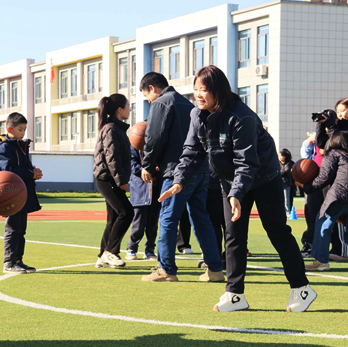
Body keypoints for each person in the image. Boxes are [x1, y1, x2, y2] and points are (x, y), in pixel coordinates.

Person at [162, 65, 315, 312]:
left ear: (218, 91)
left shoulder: (240, 116)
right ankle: (235, 295)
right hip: (229, 181)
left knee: (276, 230)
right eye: (195, 90)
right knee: (234, 235)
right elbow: (191, 152)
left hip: (264, 177)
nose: (198, 95)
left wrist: (236, 194)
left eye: (204, 90)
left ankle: (302, 289)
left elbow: (248, 161)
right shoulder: (195, 115)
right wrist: (179, 181)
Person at [138, 72, 224, 283]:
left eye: (146, 96)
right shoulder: (189, 105)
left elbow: (154, 137)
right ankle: (215, 269)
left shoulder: (160, 103)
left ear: (151, 88)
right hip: (201, 169)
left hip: (176, 172)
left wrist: (147, 165)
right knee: (201, 219)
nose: (148, 101)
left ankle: (166, 269)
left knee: (168, 219)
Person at [0, 112, 43, 274]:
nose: (23, 133)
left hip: (23, 193)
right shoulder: (4, 147)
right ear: (10, 129)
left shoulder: (21, 145)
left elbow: (23, 168)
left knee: (21, 229)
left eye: (25, 129)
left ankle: (18, 260)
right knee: (12, 229)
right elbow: (9, 170)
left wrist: (33, 171)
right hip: (10, 194)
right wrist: (30, 174)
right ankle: (8, 262)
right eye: (20, 129)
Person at [298, 131, 348, 271]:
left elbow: (324, 177)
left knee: (322, 222)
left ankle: (321, 261)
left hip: (341, 193)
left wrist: (306, 187)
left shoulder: (333, 153)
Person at [93, 94, 133, 268]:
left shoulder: (116, 128)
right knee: (126, 212)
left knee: (114, 217)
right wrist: (121, 180)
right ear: (119, 109)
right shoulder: (111, 128)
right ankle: (111, 252)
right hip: (108, 179)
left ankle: (103, 255)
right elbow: (112, 158)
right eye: (128, 106)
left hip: (110, 179)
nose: (129, 109)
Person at [125, 144, 160, 261]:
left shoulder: (157, 146)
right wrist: (145, 170)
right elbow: (131, 165)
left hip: (156, 189)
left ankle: (150, 249)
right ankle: (131, 248)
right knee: (138, 222)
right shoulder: (133, 148)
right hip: (139, 189)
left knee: (153, 223)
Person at [278, 148, 295, 216]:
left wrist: (279, 172)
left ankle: (287, 211)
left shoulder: (289, 164)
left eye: (281, 156)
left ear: (284, 156)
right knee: (279, 198)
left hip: (287, 183)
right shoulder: (278, 163)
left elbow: (286, 171)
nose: (279, 157)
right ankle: (280, 211)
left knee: (286, 198)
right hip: (279, 183)